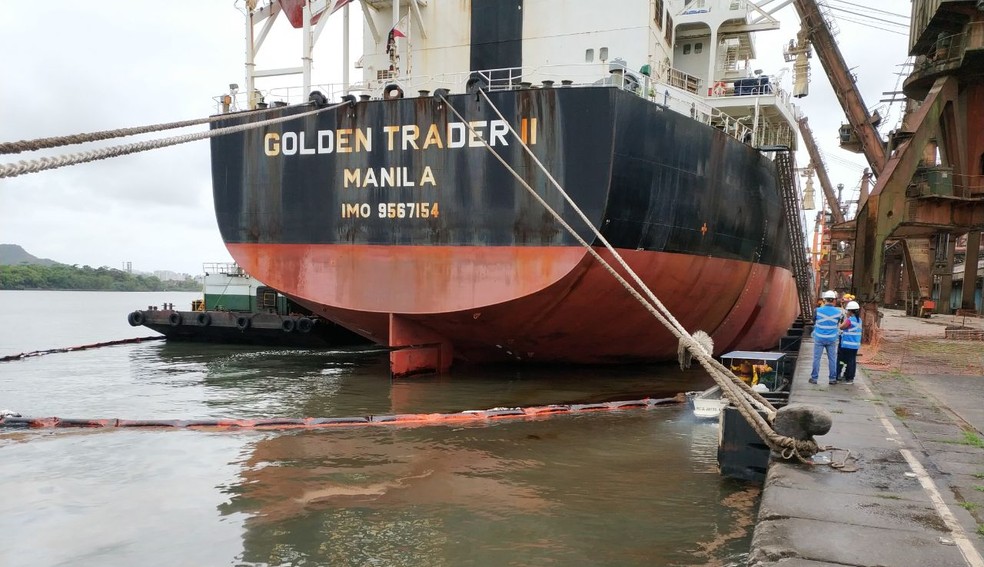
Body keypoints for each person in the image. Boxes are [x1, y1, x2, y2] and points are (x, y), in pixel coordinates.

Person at [811, 290, 841, 385]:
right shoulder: (838, 312)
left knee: (816, 359)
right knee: (832, 359)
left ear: (824, 299)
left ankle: (814, 378)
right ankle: (832, 379)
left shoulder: (817, 310)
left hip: (819, 338)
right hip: (832, 338)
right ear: (834, 300)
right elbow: (838, 323)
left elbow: (814, 321)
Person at [838, 301, 863, 384]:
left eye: (848, 310)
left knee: (845, 361)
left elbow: (841, 327)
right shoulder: (859, 320)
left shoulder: (849, 320)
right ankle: (850, 377)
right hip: (855, 345)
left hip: (847, 344)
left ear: (850, 311)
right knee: (852, 361)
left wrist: (842, 321)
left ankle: (847, 377)